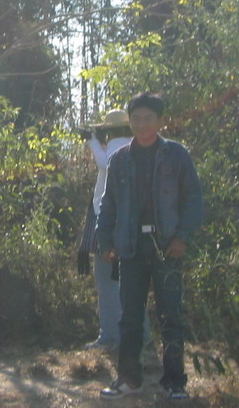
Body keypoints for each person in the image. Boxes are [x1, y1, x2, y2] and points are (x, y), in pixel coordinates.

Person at [96, 93, 203, 401]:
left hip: (167, 246)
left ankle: (174, 382)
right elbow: (109, 204)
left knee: (171, 316)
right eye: (136, 119)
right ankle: (129, 380)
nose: (141, 124)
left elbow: (193, 199)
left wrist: (182, 236)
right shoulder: (120, 159)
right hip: (131, 248)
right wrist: (105, 241)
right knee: (129, 317)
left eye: (147, 118)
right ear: (129, 122)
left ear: (159, 120)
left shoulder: (176, 155)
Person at [77, 109, 150, 350]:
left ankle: (109, 337)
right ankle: (143, 337)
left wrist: (91, 140)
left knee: (107, 281)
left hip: (109, 221)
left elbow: (103, 162)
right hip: (134, 223)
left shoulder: (118, 144)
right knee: (134, 283)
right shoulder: (141, 147)